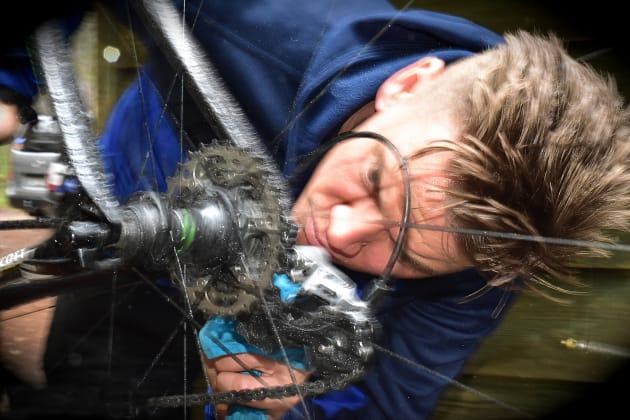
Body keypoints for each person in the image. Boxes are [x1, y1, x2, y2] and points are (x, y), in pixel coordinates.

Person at [1, 1, 629, 419]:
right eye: (377, 181)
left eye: (407, 254)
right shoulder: (268, 16)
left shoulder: (488, 247)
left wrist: (289, 400)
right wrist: (8, 86)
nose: (342, 233)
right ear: (405, 86)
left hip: (209, 319)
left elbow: (391, 400)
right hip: (126, 183)